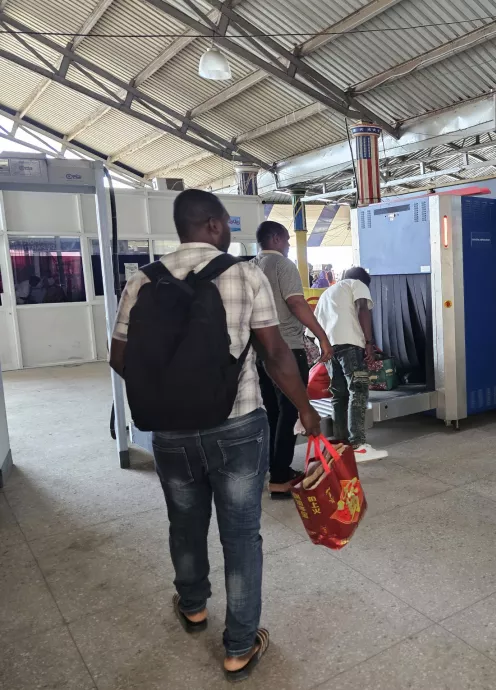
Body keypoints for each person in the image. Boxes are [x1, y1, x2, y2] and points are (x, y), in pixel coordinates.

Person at [108, 189, 322, 681]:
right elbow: (275, 354)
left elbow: (119, 358)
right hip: (238, 426)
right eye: (225, 222)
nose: (228, 231)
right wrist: (304, 410)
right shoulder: (244, 274)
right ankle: (239, 645)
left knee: (184, 522)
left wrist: (168, 393)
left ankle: (194, 605)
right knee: (241, 534)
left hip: (171, 435)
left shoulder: (142, 281)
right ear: (209, 225)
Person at [252, 221, 334, 499]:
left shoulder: (252, 265)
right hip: (286, 348)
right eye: (287, 240)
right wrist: (322, 336)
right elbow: (297, 303)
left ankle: (276, 469)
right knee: (291, 412)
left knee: (273, 412)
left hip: (259, 352)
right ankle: (279, 477)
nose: (288, 245)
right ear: (275, 239)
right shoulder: (283, 266)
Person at [313, 266, 388, 461]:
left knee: (339, 394)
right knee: (359, 390)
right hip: (350, 345)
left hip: (328, 348)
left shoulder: (327, 293)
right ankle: (358, 445)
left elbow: (313, 326)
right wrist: (369, 343)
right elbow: (363, 309)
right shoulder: (357, 284)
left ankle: (341, 445)